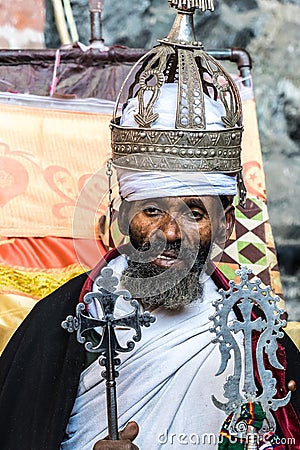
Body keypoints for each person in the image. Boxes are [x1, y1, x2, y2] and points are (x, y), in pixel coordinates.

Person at [1, 1, 300, 449]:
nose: (171, 233)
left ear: (225, 226)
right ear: (123, 215)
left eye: (195, 213)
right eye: (153, 209)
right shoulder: (61, 325)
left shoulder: (255, 336)